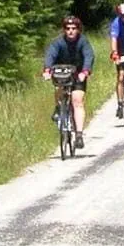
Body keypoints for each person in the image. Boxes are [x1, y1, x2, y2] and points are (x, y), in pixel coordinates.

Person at [42, 14, 94, 150]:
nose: (70, 31)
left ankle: (79, 135)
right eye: (68, 28)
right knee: (59, 89)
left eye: (73, 28)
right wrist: (47, 70)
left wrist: (85, 71)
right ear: (64, 30)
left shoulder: (83, 41)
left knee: (77, 100)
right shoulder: (58, 42)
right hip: (61, 72)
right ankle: (59, 108)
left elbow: (89, 56)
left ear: (78, 29)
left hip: (78, 74)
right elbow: (50, 55)